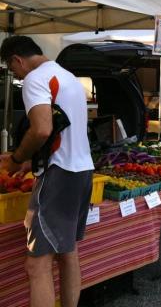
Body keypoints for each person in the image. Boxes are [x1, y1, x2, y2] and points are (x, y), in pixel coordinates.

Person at [0, 36, 94, 307]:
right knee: (68, 253)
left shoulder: (34, 79)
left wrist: (18, 158)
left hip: (59, 177)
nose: (15, 75)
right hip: (82, 171)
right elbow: (66, 132)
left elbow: (41, 129)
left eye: (11, 69)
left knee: (36, 265)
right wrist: (34, 162)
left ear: (17, 59)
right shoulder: (68, 77)